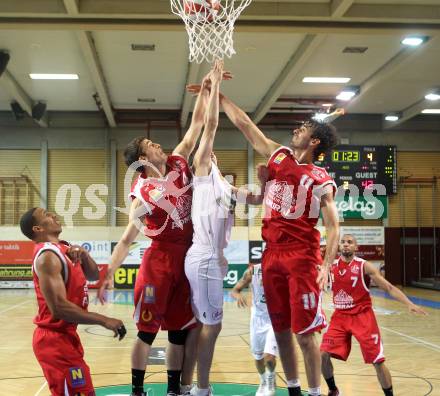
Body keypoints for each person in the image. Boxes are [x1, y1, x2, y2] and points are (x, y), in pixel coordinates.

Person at [187, 82, 341, 395]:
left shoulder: (320, 177)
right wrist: (216, 94)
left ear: (314, 141)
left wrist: (326, 265)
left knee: (306, 333)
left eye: (304, 128)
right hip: (271, 255)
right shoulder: (279, 156)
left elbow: (334, 226)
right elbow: (245, 124)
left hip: (302, 255)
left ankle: (314, 391)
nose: (296, 129)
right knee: (281, 329)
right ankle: (294, 388)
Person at [98, 68, 231, 396]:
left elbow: (198, 124)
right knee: (146, 332)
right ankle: (137, 390)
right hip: (159, 262)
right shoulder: (142, 192)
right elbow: (129, 237)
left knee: (177, 333)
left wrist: (206, 89)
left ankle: (175, 389)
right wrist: (107, 273)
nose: (160, 145)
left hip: (187, 259)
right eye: (152, 144)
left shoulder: (177, 163)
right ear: (144, 159)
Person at [185, 60, 268, 396]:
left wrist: (264, 186)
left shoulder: (222, 182)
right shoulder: (202, 170)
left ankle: (189, 385)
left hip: (214, 259)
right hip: (204, 257)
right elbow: (210, 126)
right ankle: (201, 389)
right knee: (212, 326)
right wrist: (213, 87)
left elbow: (254, 198)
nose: (211, 150)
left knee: (203, 327)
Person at [20, 207, 125, 396]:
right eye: (46, 215)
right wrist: (104, 320)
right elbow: (58, 308)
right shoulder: (47, 257)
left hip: (67, 336)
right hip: (53, 340)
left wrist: (84, 254)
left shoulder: (65, 248)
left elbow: (93, 275)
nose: (53, 215)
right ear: (37, 229)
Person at [320, 234, 427, 396]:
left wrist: (409, 303)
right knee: (323, 354)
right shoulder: (331, 266)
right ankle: (333, 390)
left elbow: (389, 288)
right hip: (340, 317)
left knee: (377, 361)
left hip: (362, 317)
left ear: (356, 247)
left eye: (350, 242)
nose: (345, 245)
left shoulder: (365, 266)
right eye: (343, 242)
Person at [230, 263, 279, 396]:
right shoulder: (252, 272)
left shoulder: (280, 270)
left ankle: (270, 382)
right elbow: (234, 290)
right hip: (257, 319)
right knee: (258, 358)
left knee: (269, 356)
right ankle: (263, 381)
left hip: (275, 319)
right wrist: (238, 295)